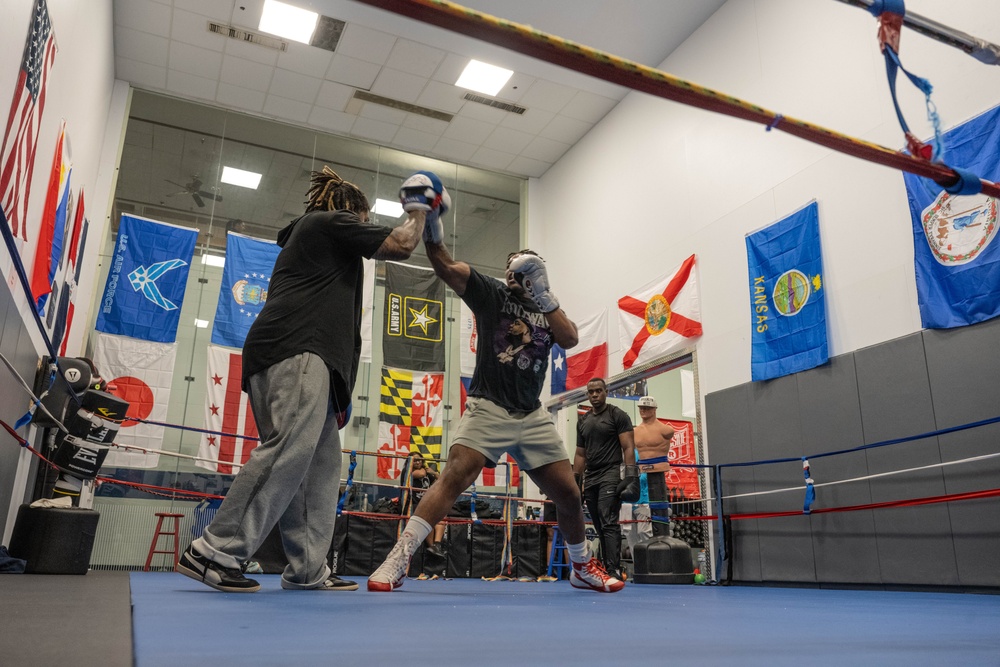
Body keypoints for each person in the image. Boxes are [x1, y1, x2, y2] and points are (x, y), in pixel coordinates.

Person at [177, 166, 425, 593]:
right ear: (349, 210)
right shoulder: (327, 222)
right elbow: (402, 243)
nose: (365, 225)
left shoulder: (327, 252)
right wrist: (422, 209)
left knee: (319, 469)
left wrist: (339, 391)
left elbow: (345, 326)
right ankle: (213, 550)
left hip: (313, 359)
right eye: (362, 216)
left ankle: (308, 569)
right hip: (297, 347)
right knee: (288, 448)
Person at [368, 201, 624, 593]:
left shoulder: (547, 308)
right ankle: (397, 559)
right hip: (489, 406)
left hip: (531, 415)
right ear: (508, 273)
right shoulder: (490, 293)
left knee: (569, 493)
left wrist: (545, 293)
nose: (522, 275)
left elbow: (570, 338)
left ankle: (580, 567)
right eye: (518, 268)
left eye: (532, 269)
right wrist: (434, 223)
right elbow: (444, 266)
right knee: (455, 475)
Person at [574, 378, 640, 581]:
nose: (594, 395)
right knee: (598, 523)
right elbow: (580, 454)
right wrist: (576, 480)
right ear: (587, 394)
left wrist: (630, 476)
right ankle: (604, 566)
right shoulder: (583, 421)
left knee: (608, 520)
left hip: (610, 473)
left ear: (606, 391)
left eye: (598, 391)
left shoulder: (617, 415)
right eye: (591, 392)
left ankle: (613, 571)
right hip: (591, 476)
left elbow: (628, 447)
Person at [633, 395, 675, 537]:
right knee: (639, 533)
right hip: (643, 475)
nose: (643, 410)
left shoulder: (666, 430)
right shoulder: (635, 432)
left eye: (647, 408)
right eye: (641, 408)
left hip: (659, 469)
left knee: (651, 530)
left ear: (654, 410)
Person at [408, 451, 446, 556]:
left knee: (442, 517)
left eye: (419, 460)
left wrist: (433, 473)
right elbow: (421, 474)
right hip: (415, 504)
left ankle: (437, 545)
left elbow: (441, 479)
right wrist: (426, 470)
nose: (417, 462)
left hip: (428, 503)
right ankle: (431, 546)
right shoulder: (408, 472)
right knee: (427, 521)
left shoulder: (427, 473)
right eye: (414, 460)